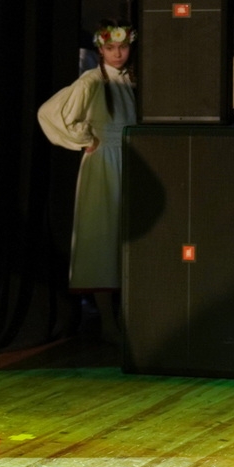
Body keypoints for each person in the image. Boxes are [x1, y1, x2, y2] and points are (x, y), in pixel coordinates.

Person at [37, 20, 139, 340]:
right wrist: (84, 138)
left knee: (129, 238)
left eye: (123, 47)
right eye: (111, 48)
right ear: (100, 50)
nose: (118, 54)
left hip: (132, 160)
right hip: (105, 163)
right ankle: (108, 322)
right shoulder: (92, 81)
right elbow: (51, 113)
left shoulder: (133, 80)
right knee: (103, 238)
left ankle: (128, 318)